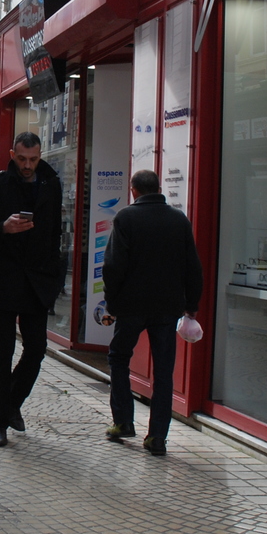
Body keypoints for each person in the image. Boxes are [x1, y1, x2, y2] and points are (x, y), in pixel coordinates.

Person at [102, 169, 203, 457]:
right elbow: (193, 266)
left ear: (133, 190)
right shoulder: (179, 220)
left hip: (131, 306)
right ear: (159, 189)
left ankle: (123, 421)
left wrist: (112, 303)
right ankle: (157, 437)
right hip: (167, 308)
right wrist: (191, 305)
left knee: (119, 358)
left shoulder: (126, 218)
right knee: (163, 371)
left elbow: (113, 265)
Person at [0, 132, 64, 447]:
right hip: (5, 281)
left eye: (33, 159)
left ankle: (12, 402)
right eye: (22, 159)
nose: (27, 165)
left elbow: (55, 234)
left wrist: (54, 278)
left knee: (36, 349)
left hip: (38, 283)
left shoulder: (51, 184)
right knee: (2, 354)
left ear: (40, 155)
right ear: (12, 154)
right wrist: (4, 228)